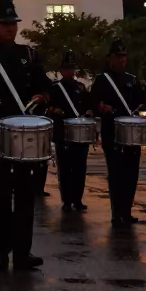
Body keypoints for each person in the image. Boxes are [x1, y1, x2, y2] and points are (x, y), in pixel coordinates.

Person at [0, 0, 51, 271]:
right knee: (2, 194)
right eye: (4, 24)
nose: (9, 28)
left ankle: (23, 251)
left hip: (25, 133)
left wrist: (42, 95)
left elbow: (44, 85)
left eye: (13, 24)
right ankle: (3, 251)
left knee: (27, 194)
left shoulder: (29, 54)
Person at [90, 39, 144, 226]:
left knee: (132, 173)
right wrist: (101, 106)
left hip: (131, 133)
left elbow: (141, 101)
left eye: (123, 57)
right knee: (116, 173)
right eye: (117, 57)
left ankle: (127, 211)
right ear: (109, 59)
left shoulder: (132, 80)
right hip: (112, 132)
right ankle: (117, 212)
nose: (121, 60)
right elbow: (92, 103)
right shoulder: (102, 80)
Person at [48, 51, 90, 212]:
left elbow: (87, 105)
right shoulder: (55, 88)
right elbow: (47, 108)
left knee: (80, 168)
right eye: (66, 68)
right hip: (63, 133)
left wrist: (90, 112)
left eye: (72, 68)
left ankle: (77, 200)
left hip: (79, 133)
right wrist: (54, 110)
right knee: (65, 169)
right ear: (61, 70)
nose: (69, 71)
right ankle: (66, 200)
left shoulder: (80, 87)